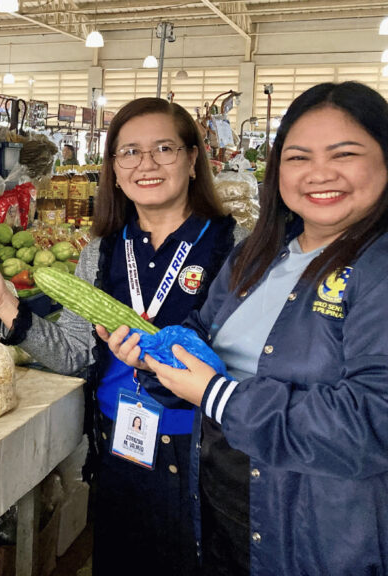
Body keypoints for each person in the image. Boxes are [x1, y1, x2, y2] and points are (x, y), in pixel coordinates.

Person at [0, 98, 241, 576]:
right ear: (114, 169)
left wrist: (171, 365)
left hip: (201, 456)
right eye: (129, 152)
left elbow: (250, 368)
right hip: (117, 448)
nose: (146, 164)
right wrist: (3, 302)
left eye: (163, 148)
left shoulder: (237, 247)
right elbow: (74, 355)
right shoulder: (102, 251)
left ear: (192, 159)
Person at [103, 81, 388, 575]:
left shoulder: (377, 269)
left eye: (344, 154)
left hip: (314, 534)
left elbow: (371, 421)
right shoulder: (256, 256)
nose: (320, 173)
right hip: (221, 509)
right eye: (298, 158)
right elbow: (198, 339)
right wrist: (154, 360)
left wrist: (218, 395)